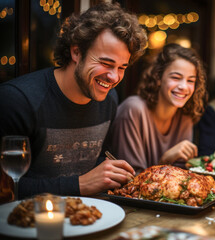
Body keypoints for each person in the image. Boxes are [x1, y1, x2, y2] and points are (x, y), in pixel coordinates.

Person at [0, 2, 147, 200]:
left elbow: (92, 160)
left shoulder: (109, 99)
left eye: (122, 67)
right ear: (76, 52)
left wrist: (110, 172)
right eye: (105, 63)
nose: (114, 78)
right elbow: (5, 189)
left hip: (88, 217)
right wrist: (80, 184)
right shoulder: (18, 100)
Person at [106, 43, 207, 174]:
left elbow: (180, 176)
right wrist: (165, 160)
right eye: (176, 78)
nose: (184, 86)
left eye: (191, 81)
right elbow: (130, 181)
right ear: (158, 77)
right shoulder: (133, 110)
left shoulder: (185, 116)